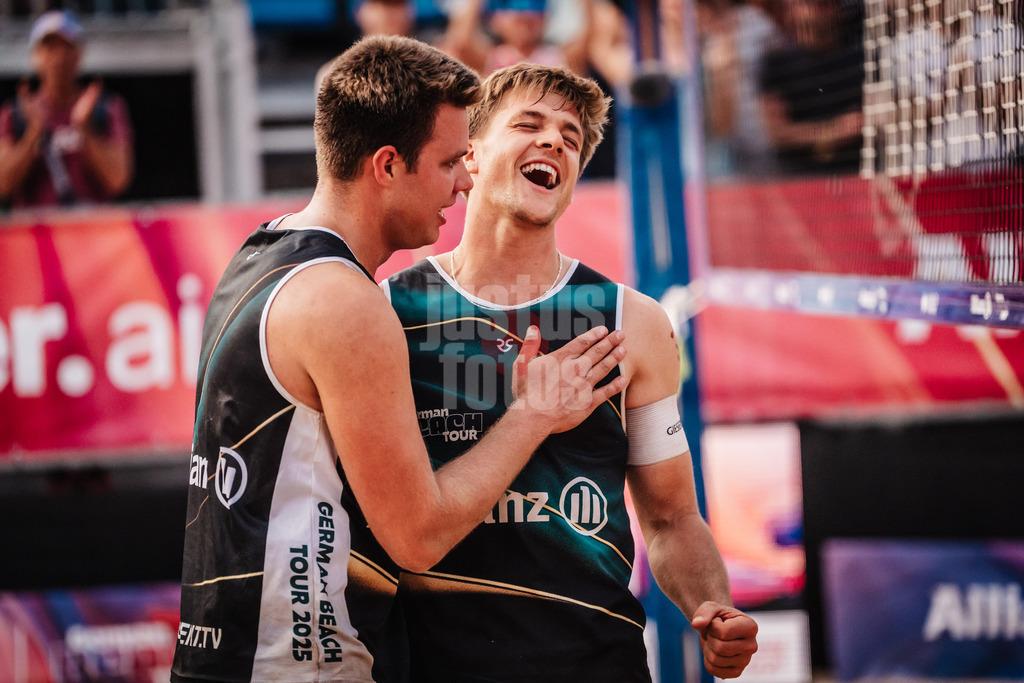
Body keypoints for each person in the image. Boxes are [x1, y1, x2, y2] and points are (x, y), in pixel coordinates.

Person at [171, 36, 626, 683]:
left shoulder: (260, 253)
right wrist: (534, 412)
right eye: (447, 162)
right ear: (387, 165)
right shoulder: (347, 304)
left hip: (221, 658)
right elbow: (419, 534)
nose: (463, 180)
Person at [384, 63, 758, 681]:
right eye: (529, 124)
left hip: (593, 662)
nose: (554, 140)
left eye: (570, 136)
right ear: (469, 157)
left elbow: (670, 518)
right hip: (432, 662)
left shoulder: (631, 322)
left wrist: (711, 604)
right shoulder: (390, 312)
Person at [0, 10, 133, 208]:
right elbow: (3, 185)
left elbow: (118, 180)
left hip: (93, 233)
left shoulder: (104, 108)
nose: (59, 57)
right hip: (37, 235)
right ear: (35, 56)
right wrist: (34, 132)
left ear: (79, 53)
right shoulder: (16, 113)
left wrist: (83, 128)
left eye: (67, 47)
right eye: (50, 47)